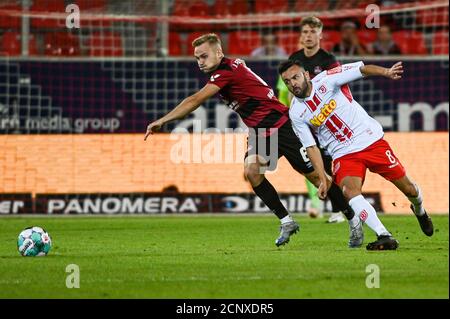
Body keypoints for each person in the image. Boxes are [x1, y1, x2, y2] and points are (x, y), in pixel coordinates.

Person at [145, 33, 361, 247]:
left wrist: (163, 120)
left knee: (318, 178)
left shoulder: (226, 71)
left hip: (283, 126)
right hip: (260, 132)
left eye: (203, 56)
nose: (200, 62)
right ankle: (286, 221)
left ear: (219, 52)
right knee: (252, 170)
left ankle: (352, 219)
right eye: (197, 58)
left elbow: (195, 100)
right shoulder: (228, 68)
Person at [278, 59, 434, 250]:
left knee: (409, 189)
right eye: (287, 81)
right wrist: (323, 177)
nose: (293, 84)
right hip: (343, 154)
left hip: (370, 141)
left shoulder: (327, 80)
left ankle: (419, 210)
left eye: (295, 77)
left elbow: (362, 69)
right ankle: (384, 235)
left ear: (306, 75)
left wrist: (386, 72)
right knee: (349, 192)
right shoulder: (296, 112)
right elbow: (311, 147)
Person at [278, 16, 347, 223]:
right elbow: (287, 90)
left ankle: (339, 209)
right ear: (301, 35)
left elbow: (339, 87)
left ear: (320, 35)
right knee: (310, 161)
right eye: (305, 32)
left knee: (332, 162)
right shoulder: (295, 58)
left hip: (326, 119)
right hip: (304, 119)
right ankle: (323, 205)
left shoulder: (328, 60)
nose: (308, 36)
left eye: (312, 32)